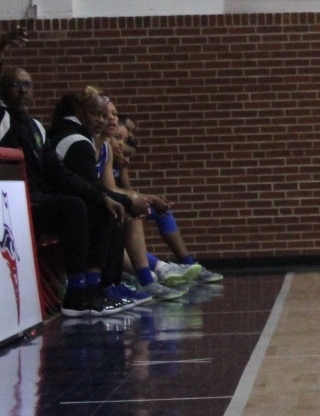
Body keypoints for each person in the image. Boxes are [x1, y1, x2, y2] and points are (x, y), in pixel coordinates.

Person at [0, 63, 98, 316]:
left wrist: (105, 197)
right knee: (72, 207)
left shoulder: (37, 128)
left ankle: (99, 286)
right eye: (14, 85)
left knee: (96, 205)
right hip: (14, 207)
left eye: (27, 85)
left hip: (37, 202)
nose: (22, 91)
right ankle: (76, 293)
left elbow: (60, 174)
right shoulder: (2, 119)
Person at [47, 89, 150, 311]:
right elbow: (93, 189)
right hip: (56, 207)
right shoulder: (77, 141)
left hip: (67, 203)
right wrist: (127, 203)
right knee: (107, 210)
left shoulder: (98, 144)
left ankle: (107, 286)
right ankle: (91, 289)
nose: (103, 120)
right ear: (80, 112)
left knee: (112, 208)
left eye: (106, 115)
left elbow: (99, 189)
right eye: (98, 114)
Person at [109, 116, 221, 290]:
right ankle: (158, 270)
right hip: (109, 211)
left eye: (127, 137)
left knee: (160, 210)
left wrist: (144, 198)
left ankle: (187, 263)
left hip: (120, 206)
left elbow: (129, 191)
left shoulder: (120, 158)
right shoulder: (102, 155)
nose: (124, 142)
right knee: (134, 216)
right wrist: (147, 198)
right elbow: (108, 190)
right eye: (119, 137)